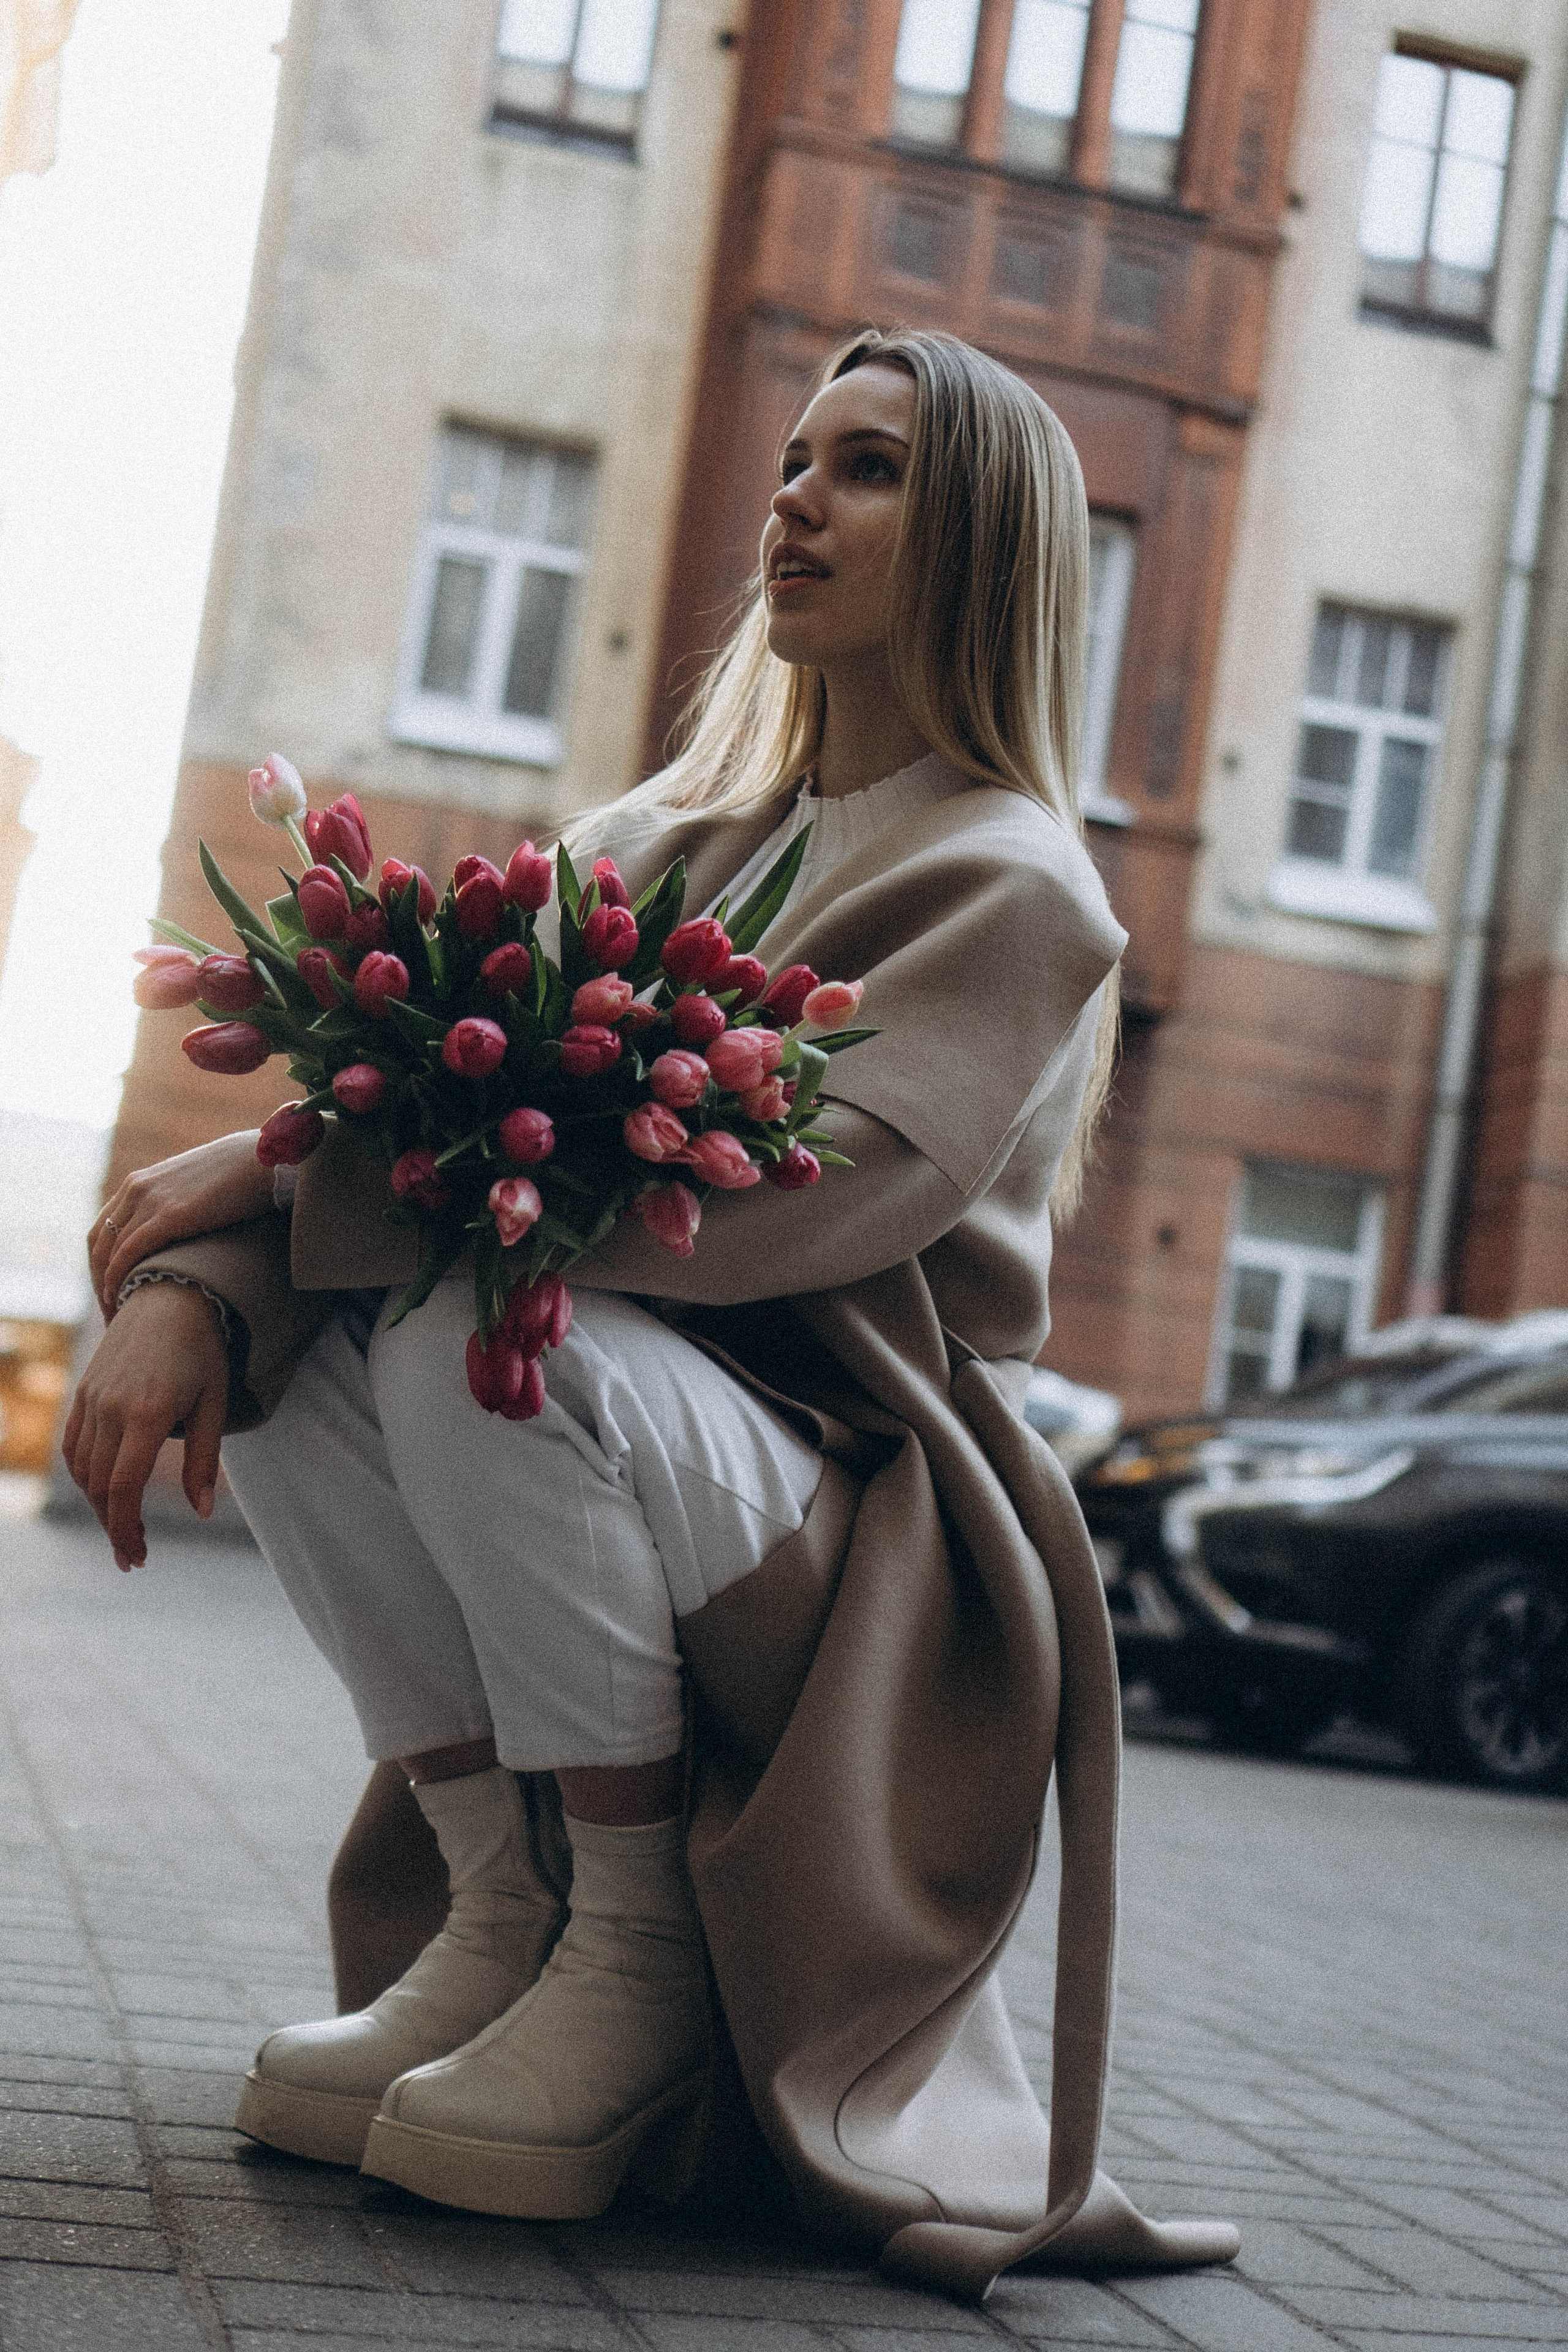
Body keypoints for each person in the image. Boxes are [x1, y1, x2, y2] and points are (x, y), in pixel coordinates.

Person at [64, 328, 1239, 2300]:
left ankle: (632, 1955)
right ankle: (500, 1911)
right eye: (796, 460)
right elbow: (438, 1105)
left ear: (979, 542)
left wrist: (253, 1172)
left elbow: (754, 1202)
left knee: (477, 1320)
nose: (793, 501)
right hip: (644, 1430)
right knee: (311, 1352)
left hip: (865, 1523)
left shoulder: (1019, 886)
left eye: (865, 471)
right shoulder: (643, 849)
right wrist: (198, 1285)